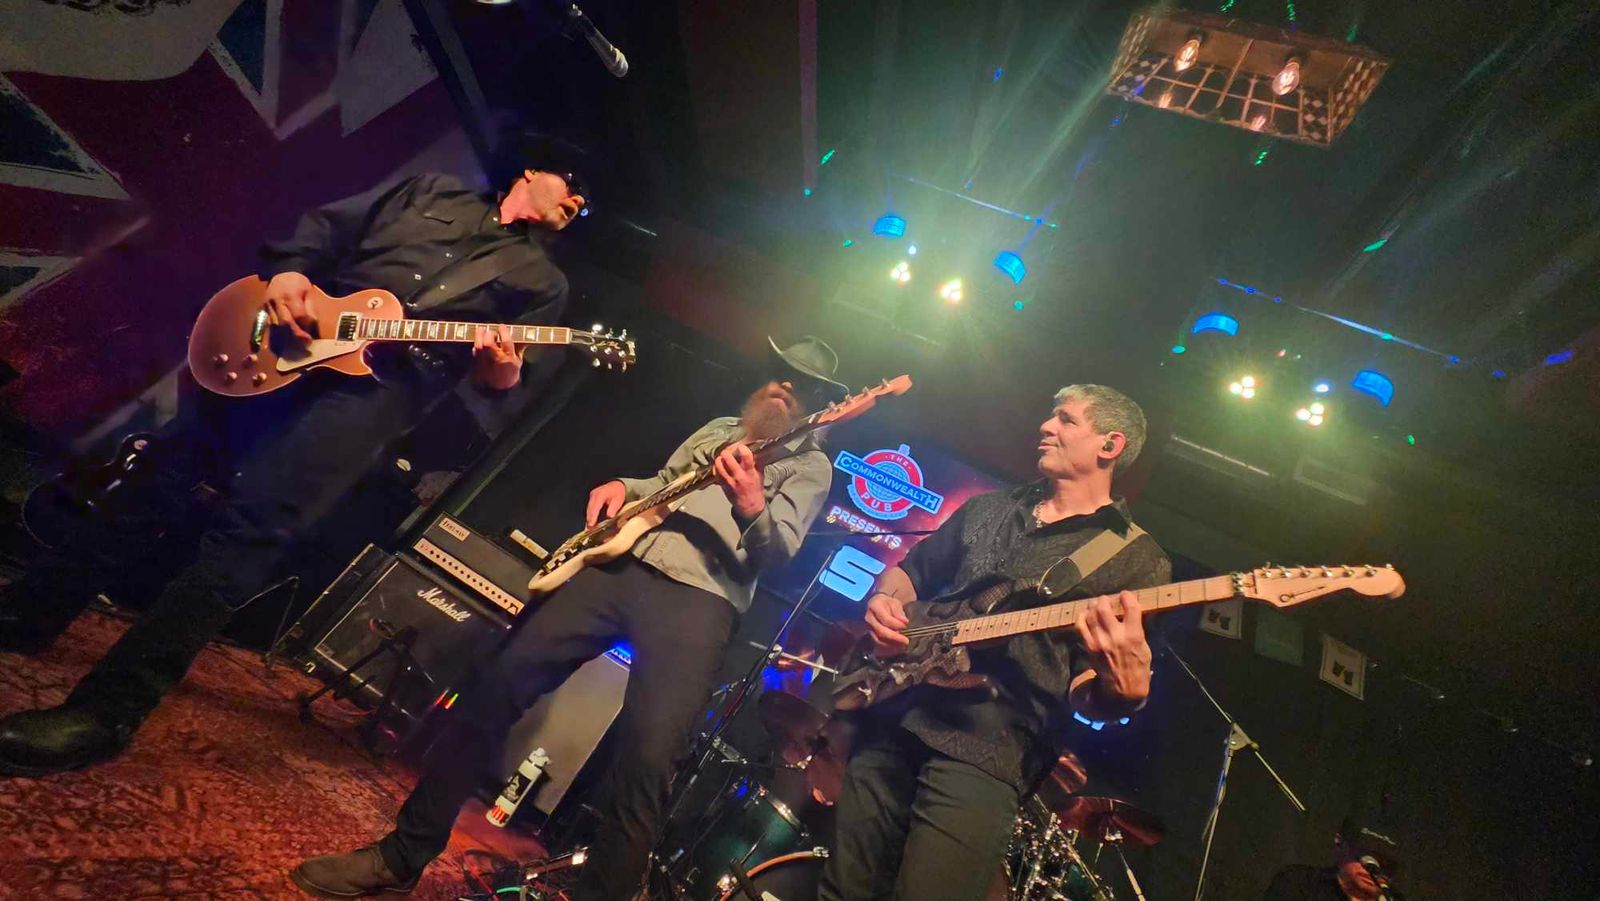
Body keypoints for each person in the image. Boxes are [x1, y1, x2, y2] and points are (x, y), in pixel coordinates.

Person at [0, 156, 586, 776]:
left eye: (586, 206)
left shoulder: (543, 283)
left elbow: (503, 389)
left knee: (248, 537)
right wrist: (288, 276)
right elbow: (325, 227)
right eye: (575, 187)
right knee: (156, 477)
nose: (578, 204)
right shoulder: (431, 190)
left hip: (374, 395)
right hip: (287, 341)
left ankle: (106, 714)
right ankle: (30, 612)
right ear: (533, 172)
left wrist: (501, 371)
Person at [290, 337, 847, 900]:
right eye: (780, 372)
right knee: (496, 684)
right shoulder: (720, 428)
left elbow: (780, 551)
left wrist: (750, 501)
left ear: (821, 402)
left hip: (701, 600)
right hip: (622, 567)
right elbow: (664, 486)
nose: (785, 385)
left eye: (802, 383)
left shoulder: (810, 466)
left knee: (649, 764)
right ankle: (401, 855)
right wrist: (625, 486)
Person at [819, 384, 1171, 901]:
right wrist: (884, 601)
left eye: (1066, 420)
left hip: (988, 750)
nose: (1046, 427)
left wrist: (1124, 693)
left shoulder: (1138, 560)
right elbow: (909, 574)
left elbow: (1086, 688)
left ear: (1110, 445)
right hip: (896, 714)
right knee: (843, 890)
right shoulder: (987, 509)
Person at [1263, 817, 1403, 901]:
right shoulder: (1301, 883)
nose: (1374, 869)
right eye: (1366, 856)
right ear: (1340, 843)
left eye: (1386, 864)